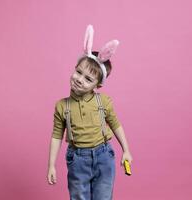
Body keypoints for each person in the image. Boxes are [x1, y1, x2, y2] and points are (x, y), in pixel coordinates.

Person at [47, 25, 133, 200]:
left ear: (97, 85)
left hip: (104, 156)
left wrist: (126, 150)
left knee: (104, 196)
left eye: (88, 79)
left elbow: (116, 124)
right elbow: (56, 135)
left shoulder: (104, 101)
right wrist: (51, 165)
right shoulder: (62, 106)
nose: (79, 79)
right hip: (78, 160)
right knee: (78, 197)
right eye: (78, 72)